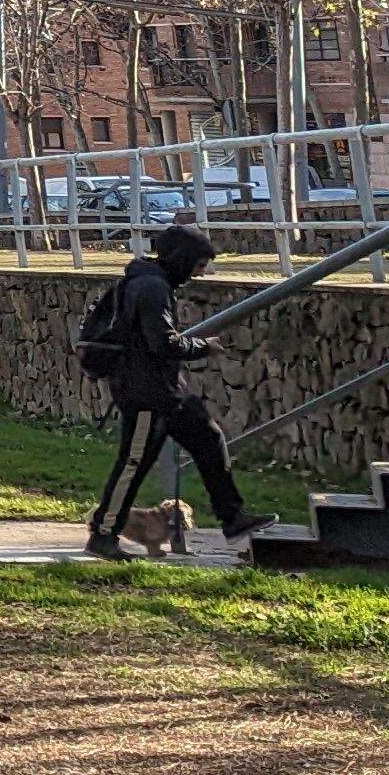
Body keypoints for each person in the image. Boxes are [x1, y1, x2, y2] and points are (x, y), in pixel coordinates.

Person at [86, 219, 256, 558]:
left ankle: (234, 518)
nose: (199, 273)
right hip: (145, 391)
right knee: (133, 463)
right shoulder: (151, 288)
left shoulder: (153, 283)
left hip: (165, 389)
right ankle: (103, 535)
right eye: (198, 265)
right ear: (181, 258)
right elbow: (162, 343)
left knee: (209, 438)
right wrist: (203, 346)